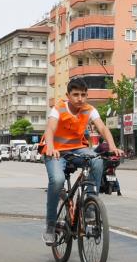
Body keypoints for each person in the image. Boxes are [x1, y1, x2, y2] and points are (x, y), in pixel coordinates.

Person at [41, 77, 122, 245]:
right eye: (76, 94)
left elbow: (102, 128)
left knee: (98, 160)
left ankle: (90, 206)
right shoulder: (59, 108)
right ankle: (50, 225)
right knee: (57, 181)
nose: (80, 98)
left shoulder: (89, 109)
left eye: (83, 95)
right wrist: (50, 147)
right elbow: (50, 129)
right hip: (55, 151)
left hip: (78, 148)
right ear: (68, 95)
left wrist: (113, 146)